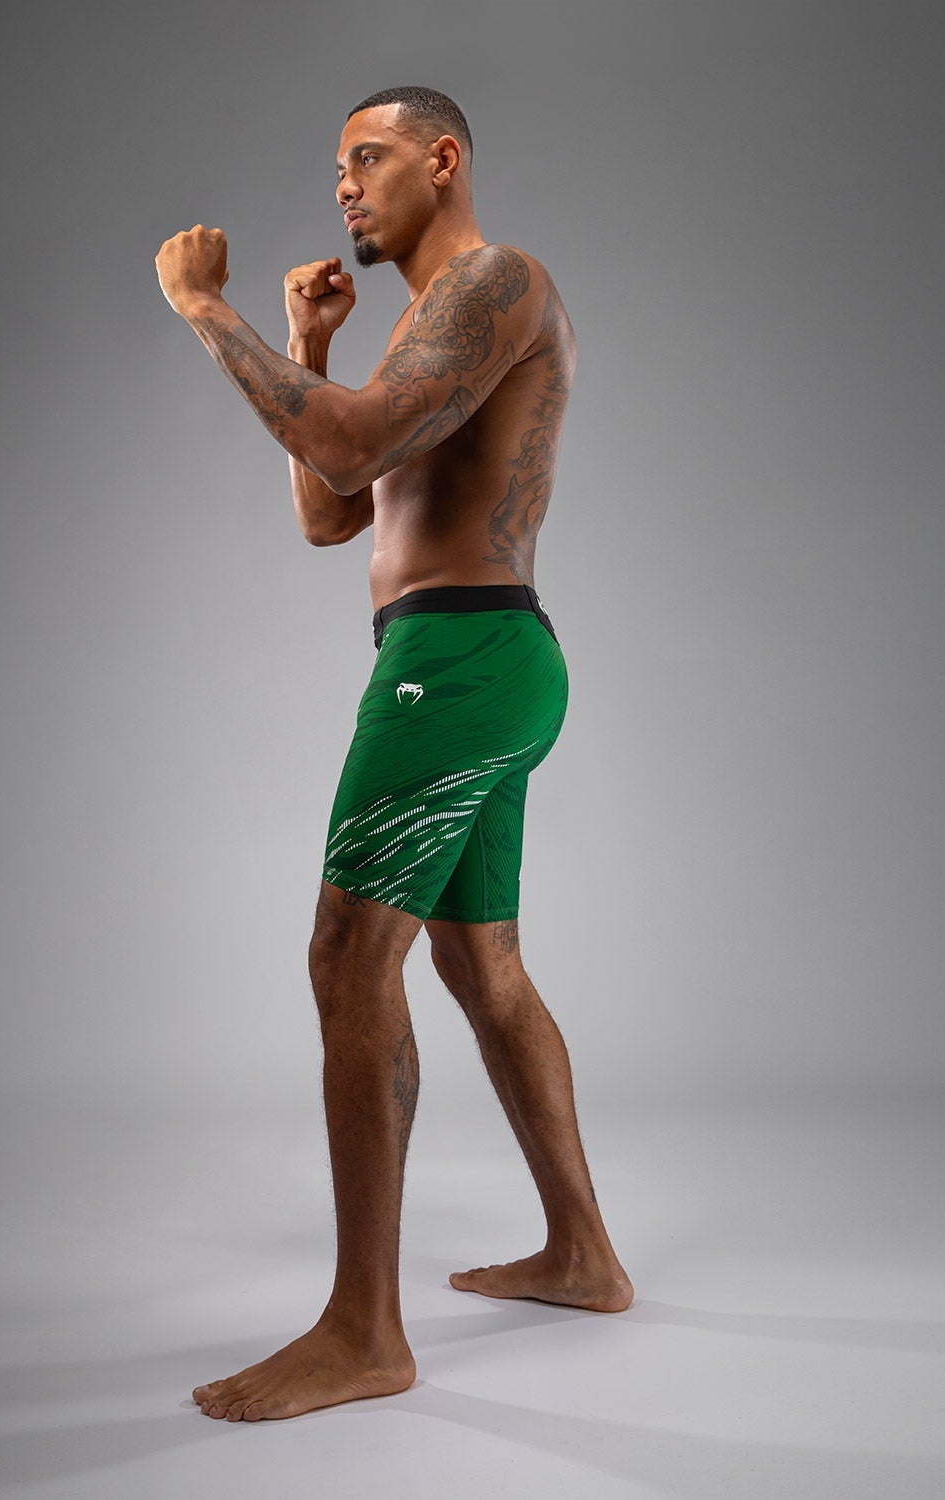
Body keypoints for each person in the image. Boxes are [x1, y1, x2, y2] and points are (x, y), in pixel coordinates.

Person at [155, 84, 631, 1423]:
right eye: (337, 168)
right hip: (476, 657)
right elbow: (331, 511)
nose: (345, 187)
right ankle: (584, 1257)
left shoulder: (495, 282)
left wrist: (206, 310)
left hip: (459, 664)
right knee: (481, 965)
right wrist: (309, 342)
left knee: (345, 956)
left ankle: (365, 1332)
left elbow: (350, 436)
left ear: (443, 159)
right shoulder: (425, 323)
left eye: (366, 158)